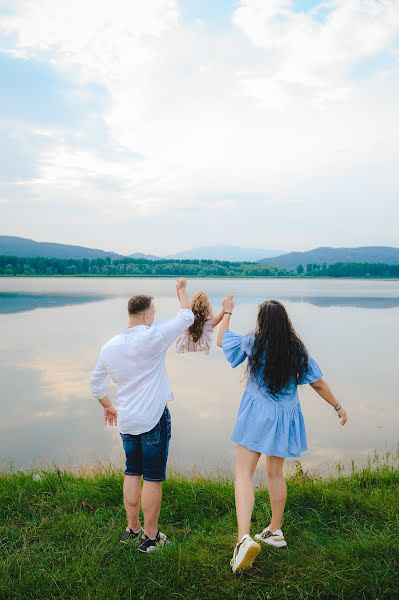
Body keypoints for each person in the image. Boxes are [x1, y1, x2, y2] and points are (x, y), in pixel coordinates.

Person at [217, 296, 348, 574]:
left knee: (243, 474)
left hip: (256, 414)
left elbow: (222, 342)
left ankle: (243, 539)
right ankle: (275, 531)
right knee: (276, 474)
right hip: (284, 417)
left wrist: (227, 312)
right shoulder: (297, 349)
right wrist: (337, 406)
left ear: (262, 323)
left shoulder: (255, 341)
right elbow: (318, 383)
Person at [90, 278, 194, 553]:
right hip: (153, 419)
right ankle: (150, 537)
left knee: (132, 471)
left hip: (126, 419)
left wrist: (107, 406)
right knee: (153, 477)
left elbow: (95, 384)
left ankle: (132, 528)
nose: (154, 318)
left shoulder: (109, 346)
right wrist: (181, 291)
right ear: (147, 314)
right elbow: (187, 317)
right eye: (154, 313)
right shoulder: (154, 336)